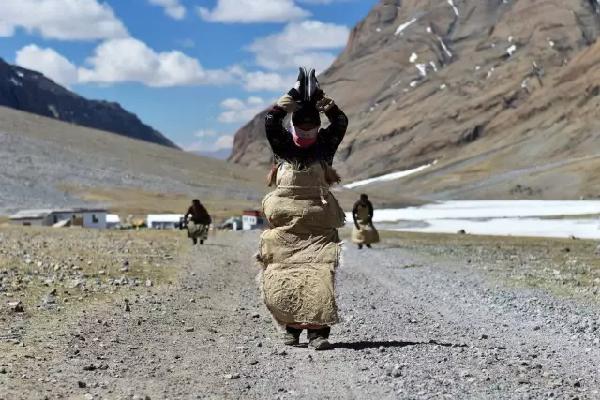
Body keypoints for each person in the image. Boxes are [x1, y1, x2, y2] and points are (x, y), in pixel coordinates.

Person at [257, 67, 348, 350]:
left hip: (318, 226)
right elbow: (271, 120)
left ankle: (319, 332)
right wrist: (295, 95)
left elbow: (341, 121)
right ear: (294, 126)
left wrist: (324, 101)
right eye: (302, 128)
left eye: (312, 129)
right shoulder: (284, 143)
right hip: (287, 226)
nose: (307, 134)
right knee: (283, 273)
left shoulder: (323, 145)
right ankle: (292, 330)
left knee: (319, 274)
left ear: (318, 129)